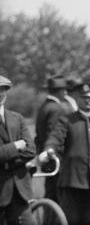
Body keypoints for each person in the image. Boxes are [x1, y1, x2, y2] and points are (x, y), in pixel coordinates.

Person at [40, 80, 90, 225]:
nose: (88, 100)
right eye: (83, 97)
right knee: (73, 219)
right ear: (76, 99)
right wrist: (49, 150)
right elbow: (55, 138)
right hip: (73, 179)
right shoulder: (66, 120)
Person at [0, 75, 36, 225]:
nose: (0, 94)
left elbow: (31, 150)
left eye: (3, 90)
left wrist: (8, 158)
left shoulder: (17, 118)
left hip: (20, 189)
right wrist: (16, 146)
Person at [34, 76, 71, 224]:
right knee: (57, 194)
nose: (66, 93)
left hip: (44, 156)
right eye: (64, 90)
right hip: (54, 158)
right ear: (60, 91)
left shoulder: (45, 106)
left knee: (51, 193)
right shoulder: (56, 108)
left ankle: (48, 221)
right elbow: (53, 134)